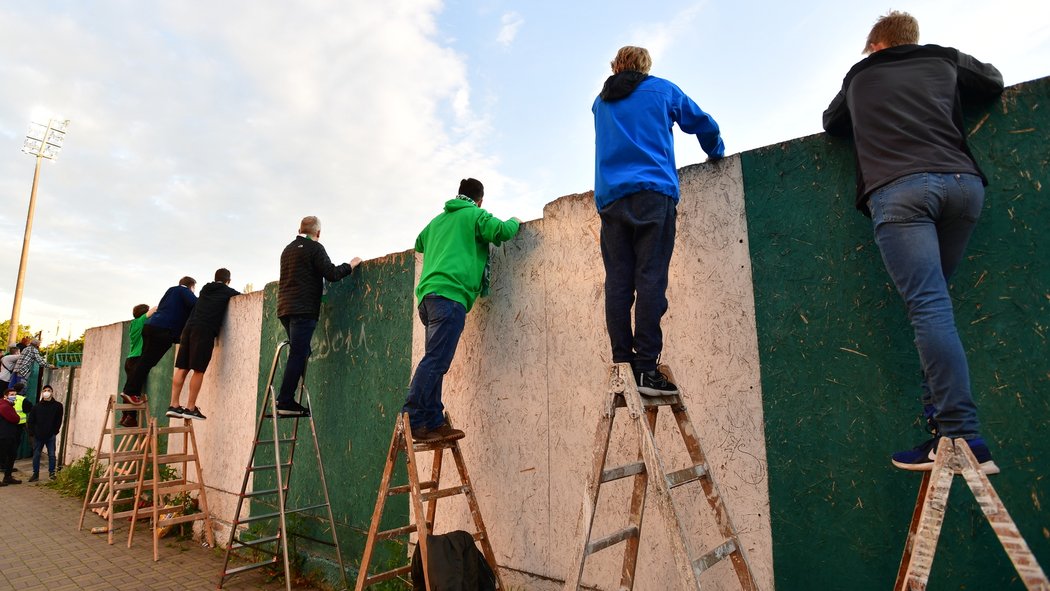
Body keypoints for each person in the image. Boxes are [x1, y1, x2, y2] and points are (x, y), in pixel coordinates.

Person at [822, 11, 1004, 473]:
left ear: (877, 46)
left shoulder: (859, 77)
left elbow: (831, 122)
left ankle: (961, 435)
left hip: (900, 193)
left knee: (928, 308)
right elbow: (994, 82)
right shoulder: (944, 59)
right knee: (934, 305)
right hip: (963, 187)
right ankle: (941, 427)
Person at [592, 46, 724, 396]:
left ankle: (622, 365)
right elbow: (702, 122)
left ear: (615, 66)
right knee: (650, 279)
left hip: (611, 200)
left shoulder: (600, 104)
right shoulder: (662, 90)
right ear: (644, 66)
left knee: (618, 283)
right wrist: (716, 151)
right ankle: (647, 369)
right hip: (653, 193)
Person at [402, 178, 521, 442]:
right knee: (436, 361)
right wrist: (515, 219)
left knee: (435, 360)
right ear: (480, 200)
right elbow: (501, 231)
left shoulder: (437, 220)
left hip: (427, 298)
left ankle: (432, 420)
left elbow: (419, 243)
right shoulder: (476, 215)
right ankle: (410, 417)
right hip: (450, 297)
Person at [276, 216, 361, 417]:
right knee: (299, 353)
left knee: (302, 352)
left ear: (299, 229)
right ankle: (285, 400)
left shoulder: (287, 250)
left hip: (284, 309)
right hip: (303, 310)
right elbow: (331, 273)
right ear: (318, 233)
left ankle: (287, 398)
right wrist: (351, 265)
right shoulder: (315, 248)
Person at [120, 277, 198, 427]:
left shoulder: (170, 291)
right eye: (193, 289)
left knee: (145, 361)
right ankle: (130, 392)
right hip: (163, 331)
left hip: (151, 327)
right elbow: (197, 304)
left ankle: (130, 393)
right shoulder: (183, 290)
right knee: (147, 362)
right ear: (191, 286)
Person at [167, 268, 240, 420]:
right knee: (198, 369)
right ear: (228, 280)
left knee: (182, 367)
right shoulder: (227, 291)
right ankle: (190, 407)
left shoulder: (205, 289)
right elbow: (239, 297)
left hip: (188, 328)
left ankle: (174, 405)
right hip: (203, 330)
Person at [120, 304, 154, 427]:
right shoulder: (140, 321)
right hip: (137, 359)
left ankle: (125, 414)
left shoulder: (133, 324)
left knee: (128, 388)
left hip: (130, 359)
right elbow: (154, 309)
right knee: (134, 391)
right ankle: (130, 417)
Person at [26, 384, 63, 481]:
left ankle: (52, 473)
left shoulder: (58, 406)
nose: (47, 392)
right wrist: (32, 433)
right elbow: (31, 421)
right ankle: (35, 474)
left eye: (49, 390)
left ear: (52, 392)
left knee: (51, 454)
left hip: (50, 435)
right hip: (38, 435)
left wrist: (55, 431)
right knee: (36, 455)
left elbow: (59, 420)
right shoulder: (36, 407)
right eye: (45, 390)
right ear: (42, 393)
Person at [0, 388, 20, 485]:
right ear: (5, 396)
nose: (14, 396)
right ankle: (7, 476)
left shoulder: (8, 405)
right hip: (4, 436)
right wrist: (17, 417)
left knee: (12, 455)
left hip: (9, 435)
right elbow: (15, 419)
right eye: (12, 394)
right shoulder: (4, 406)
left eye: (15, 394)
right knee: (4, 456)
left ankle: (8, 477)